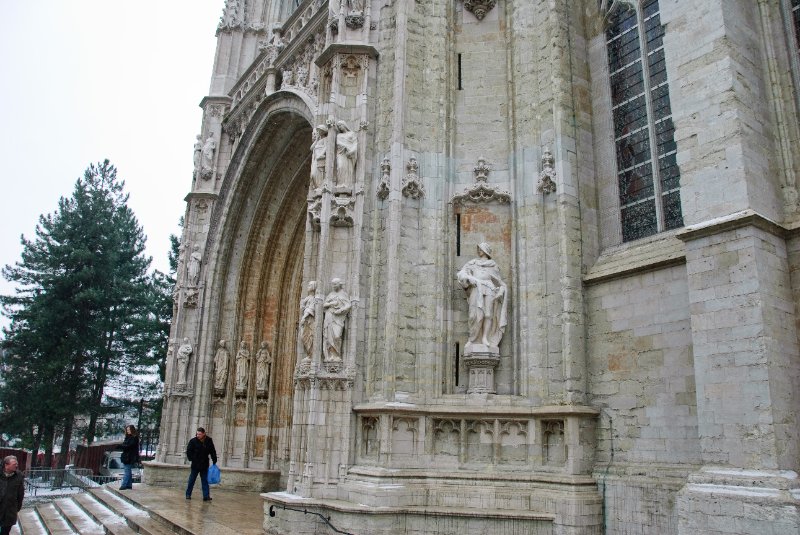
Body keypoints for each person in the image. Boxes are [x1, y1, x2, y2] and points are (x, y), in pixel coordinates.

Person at [456, 242, 507, 352]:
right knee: (474, 315)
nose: (479, 250)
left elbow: (500, 283)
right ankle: (472, 339)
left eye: (481, 248)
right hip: (476, 288)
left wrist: (501, 291)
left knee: (488, 314)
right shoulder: (472, 263)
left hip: (489, 289)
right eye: (478, 248)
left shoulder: (493, 265)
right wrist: (469, 278)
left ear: (485, 250)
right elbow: (461, 274)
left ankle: (484, 338)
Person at [322, 278, 351, 361]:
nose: (333, 286)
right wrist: (331, 303)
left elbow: (348, 305)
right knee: (329, 336)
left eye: (335, 284)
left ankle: (337, 354)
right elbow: (324, 305)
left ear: (339, 284)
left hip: (338, 318)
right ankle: (331, 355)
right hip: (329, 316)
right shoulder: (330, 295)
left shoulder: (344, 294)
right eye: (332, 284)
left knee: (337, 336)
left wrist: (340, 310)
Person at [185, 427, 217, 502]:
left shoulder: (209, 440)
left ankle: (206, 496)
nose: (198, 435)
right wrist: (192, 458)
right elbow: (189, 451)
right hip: (195, 464)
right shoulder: (193, 441)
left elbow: (212, 450)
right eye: (197, 434)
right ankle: (188, 494)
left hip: (204, 463)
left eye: (199, 434)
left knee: (205, 480)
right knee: (191, 480)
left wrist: (214, 459)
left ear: (203, 434)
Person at [0, 456, 24, 535]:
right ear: (6, 465)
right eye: (14, 464)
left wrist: (16, 508)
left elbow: (20, 494)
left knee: (5, 532)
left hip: (9, 510)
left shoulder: (19, 476)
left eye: (17, 464)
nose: (16, 465)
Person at [119, 425, 140, 490]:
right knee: (128, 471)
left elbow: (130, 446)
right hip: (126, 456)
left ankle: (124, 485)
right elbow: (125, 445)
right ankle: (129, 485)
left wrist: (122, 446)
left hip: (130, 456)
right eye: (127, 430)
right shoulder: (127, 437)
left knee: (127, 471)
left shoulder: (134, 438)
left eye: (129, 430)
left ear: (132, 430)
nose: (128, 431)